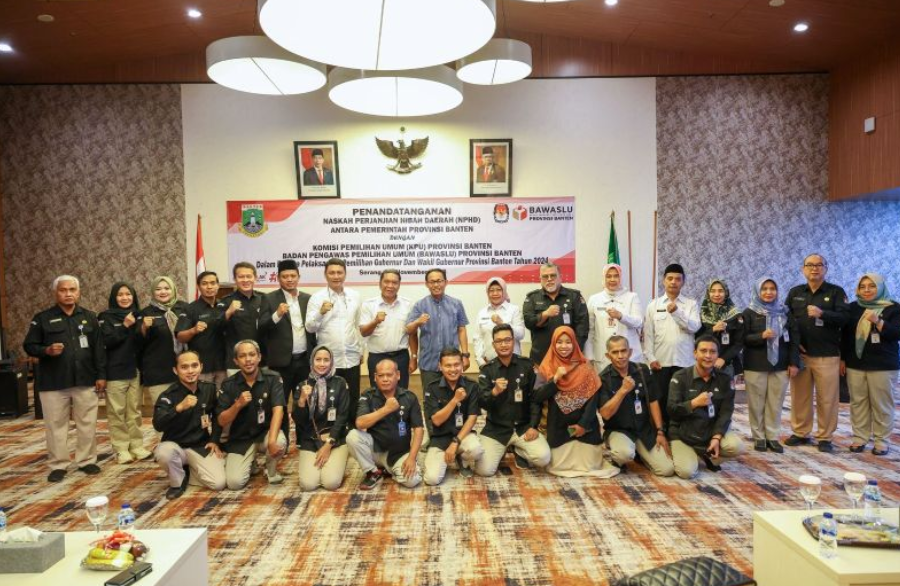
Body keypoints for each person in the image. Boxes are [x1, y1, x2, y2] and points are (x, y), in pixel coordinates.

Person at [24, 275, 106, 483]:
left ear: (78, 292)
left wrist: (101, 375)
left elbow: (98, 349)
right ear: (56, 293)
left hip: (85, 379)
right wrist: (46, 350)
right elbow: (29, 345)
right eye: (63, 290)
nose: (68, 294)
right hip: (53, 382)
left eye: (72, 289)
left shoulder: (89, 317)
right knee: (55, 425)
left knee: (87, 423)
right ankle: (58, 464)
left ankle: (86, 460)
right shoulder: (42, 318)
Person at [784, 253, 849, 453]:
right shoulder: (795, 292)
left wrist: (823, 314)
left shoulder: (836, 292)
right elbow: (785, 321)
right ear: (803, 269)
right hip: (802, 356)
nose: (814, 268)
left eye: (819, 265)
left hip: (827, 354)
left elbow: (845, 319)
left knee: (827, 399)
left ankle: (825, 437)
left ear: (825, 268)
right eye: (810, 265)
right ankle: (801, 432)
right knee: (800, 397)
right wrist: (793, 346)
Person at [534, 327, 618, 478]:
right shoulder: (546, 366)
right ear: (553, 343)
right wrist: (555, 378)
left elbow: (593, 400)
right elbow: (537, 396)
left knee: (590, 466)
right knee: (559, 466)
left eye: (568, 342)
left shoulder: (586, 367)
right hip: (559, 427)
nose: (564, 346)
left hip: (586, 428)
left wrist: (583, 425)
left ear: (574, 343)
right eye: (559, 342)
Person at [475, 324, 551, 475]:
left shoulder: (527, 365)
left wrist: (533, 426)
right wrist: (494, 392)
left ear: (514, 341)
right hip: (496, 429)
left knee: (543, 458)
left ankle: (518, 450)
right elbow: (482, 403)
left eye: (507, 340)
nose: (503, 344)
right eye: (499, 341)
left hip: (522, 427)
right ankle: (502, 448)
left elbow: (534, 399)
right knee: (484, 470)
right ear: (493, 345)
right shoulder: (487, 370)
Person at [667, 336, 745, 479]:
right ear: (695, 353)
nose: (708, 356)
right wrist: (694, 403)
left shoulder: (725, 379)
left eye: (712, 352)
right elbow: (672, 410)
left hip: (710, 430)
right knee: (687, 472)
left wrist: (717, 437)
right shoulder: (680, 376)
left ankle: (707, 456)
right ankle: (692, 454)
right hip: (683, 434)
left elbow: (726, 412)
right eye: (703, 351)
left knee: (736, 447)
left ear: (717, 355)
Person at [258, 259, 316, 449]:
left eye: (293, 276)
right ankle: (282, 440)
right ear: (278, 278)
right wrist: (277, 314)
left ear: (298, 277)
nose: (289, 279)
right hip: (281, 362)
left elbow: (314, 328)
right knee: (280, 403)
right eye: (285, 276)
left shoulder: (308, 299)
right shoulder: (269, 299)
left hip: (304, 360)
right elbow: (261, 327)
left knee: (304, 400)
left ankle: (303, 440)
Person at [152, 350, 226, 499]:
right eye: (184, 367)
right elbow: (158, 424)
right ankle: (177, 482)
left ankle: (186, 471)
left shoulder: (209, 389)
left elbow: (217, 416)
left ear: (201, 367)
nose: (190, 371)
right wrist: (178, 408)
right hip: (175, 447)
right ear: (175, 370)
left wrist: (214, 440)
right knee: (163, 452)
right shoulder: (168, 395)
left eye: (194, 365)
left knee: (218, 483)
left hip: (200, 445)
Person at [599, 335, 674, 476]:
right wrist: (622, 391)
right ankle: (618, 458)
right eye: (615, 352)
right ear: (608, 356)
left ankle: (641, 455)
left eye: (623, 351)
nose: (620, 356)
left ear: (630, 352)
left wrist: (660, 431)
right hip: (620, 430)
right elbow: (605, 414)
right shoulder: (604, 378)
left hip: (644, 430)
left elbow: (653, 401)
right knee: (624, 454)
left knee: (667, 470)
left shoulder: (642, 370)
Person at [840, 273, 899, 456]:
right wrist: (843, 358)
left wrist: (878, 321)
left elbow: (896, 334)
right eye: (862, 286)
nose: (866, 290)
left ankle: (881, 441)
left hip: (883, 364)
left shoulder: (893, 308)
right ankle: (860, 438)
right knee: (858, 403)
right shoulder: (853, 308)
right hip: (855, 364)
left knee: (882, 404)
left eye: (871, 286)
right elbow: (845, 336)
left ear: (880, 287)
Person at [215, 340, 286, 489]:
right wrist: (237, 405)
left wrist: (272, 441)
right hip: (241, 438)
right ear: (236, 361)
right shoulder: (228, 384)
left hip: (265, 434)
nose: (248, 359)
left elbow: (278, 411)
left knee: (279, 442)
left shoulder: (273, 378)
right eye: (242, 356)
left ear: (259, 357)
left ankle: (271, 471)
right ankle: (251, 463)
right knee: (234, 483)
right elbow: (221, 421)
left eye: (252, 354)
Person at [741, 277, 800, 453]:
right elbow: (742, 339)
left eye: (772, 289)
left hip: (780, 364)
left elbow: (794, 339)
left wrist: (794, 363)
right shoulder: (749, 312)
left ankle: (772, 436)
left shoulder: (785, 312)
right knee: (756, 403)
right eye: (764, 289)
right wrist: (761, 336)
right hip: (755, 364)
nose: (768, 292)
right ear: (757, 291)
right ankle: (759, 436)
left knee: (776, 402)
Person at [346, 359, 424, 490]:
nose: (385, 379)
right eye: (381, 376)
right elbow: (360, 423)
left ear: (398, 375)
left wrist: (411, 457)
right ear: (375, 377)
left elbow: (419, 429)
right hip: (375, 450)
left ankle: (388, 470)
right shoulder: (368, 395)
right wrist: (386, 409)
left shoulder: (409, 397)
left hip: (399, 453)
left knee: (412, 480)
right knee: (352, 436)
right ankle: (373, 472)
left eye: (389, 375)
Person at [641, 263, 701, 430]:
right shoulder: (653, 305)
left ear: (683, 282)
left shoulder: (691, 304)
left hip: (685, 362)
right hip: (661, 362)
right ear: (663, 281)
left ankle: (680, 431)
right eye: (670, 278)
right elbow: (648, 335)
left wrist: (676, 312)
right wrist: (650, 358)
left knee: (683, 399)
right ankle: (661, 431)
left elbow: (694, 327)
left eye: (678, 279)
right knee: (661, 399)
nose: (673, 282)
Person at [99, 282, 151, 464]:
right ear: (114, 297)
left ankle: (136, 446)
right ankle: (121, 449)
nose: (125, 298)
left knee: (134, 412)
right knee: (117, 413)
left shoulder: (139, 315)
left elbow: (143, 344)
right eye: (120, 294)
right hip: (115, 371)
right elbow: (106, 342)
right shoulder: (105, 317)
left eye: (128, 294)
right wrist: (124, 325)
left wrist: (144, 329)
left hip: (135, 371)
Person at [306, 258, 363, 421]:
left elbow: (358, 325)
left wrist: (361, 349)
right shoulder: (317, 298)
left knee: (352, 396)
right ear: (325, 275)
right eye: (332, 273)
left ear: (345, 274)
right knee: (330, 399)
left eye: (339, 272)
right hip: (328, 360)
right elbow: (309, 327)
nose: (336, 276)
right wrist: (321, 312)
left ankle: (351, 429)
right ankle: (330, 430)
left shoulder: (355, 296)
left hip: (351, 356)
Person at [422, 348, 484, 485]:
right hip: (440, 438)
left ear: (462, 365)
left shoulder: (472, 386)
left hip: (462, 436)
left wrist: (456, 442)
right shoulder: (432, 388)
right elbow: (436, 421)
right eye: (448, 365)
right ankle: (445, 457)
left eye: (456, 365)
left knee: (476, 450)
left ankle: (461, 458)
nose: (453, 369)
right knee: (432, 479)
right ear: (440, 366)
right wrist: (455, 400)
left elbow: (472, 418)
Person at [295, 346, 351, 491]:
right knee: (308, 485)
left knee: (331, 483)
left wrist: (328, 444)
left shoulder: (340, 383)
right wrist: (302, 400)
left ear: (331, 362)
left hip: (335, 439)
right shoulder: (303, 385)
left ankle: (338, 460)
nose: (322, 364)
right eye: (318, 359)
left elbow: (343, 416)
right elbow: (299, 422)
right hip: (310, 439)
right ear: (311, 361)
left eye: (326, 360)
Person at [406, 268, 470, 390]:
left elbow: (461, 329)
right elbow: (409, 330)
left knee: (455, 397)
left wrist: (465, 355)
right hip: (429, 364)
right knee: (430, 398)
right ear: (426, 284)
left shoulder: (456, 304)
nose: (436, 285)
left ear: (446, 282)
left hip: (452, 364)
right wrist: (417, 322)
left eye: (439, 281)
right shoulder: (420, 305)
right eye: (432, 282)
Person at [523, 262, 589, 364]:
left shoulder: (574, 296)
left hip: (568, 357)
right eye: (545, 276)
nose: (549, 279)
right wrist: (545, 314)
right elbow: (528, 322)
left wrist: (575, 352)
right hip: (541, 357)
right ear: (540, 279)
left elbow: (582, 327)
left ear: (560, 277)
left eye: (553, 275)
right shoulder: (532, 298)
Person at [359, 269, 415, 389]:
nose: (390, 285)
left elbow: (412, 333)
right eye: (386, 282)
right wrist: (375, 321)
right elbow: (363, 332)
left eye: (394, 282)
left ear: (399, 285)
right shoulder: (369, 304)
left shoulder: (407, 305)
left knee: (402, 393)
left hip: (401, 357)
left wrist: (414, 357)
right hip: (377, 357)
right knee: (377, 394)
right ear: (380, 283)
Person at [138, 276, 188, 407]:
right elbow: (137, 344)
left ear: (173, 290)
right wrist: (143, 328)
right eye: (158, 289)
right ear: (153, 292)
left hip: (185, 371)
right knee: (163, 412)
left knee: (186, 411)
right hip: (158, 373)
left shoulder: (185, 308)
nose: (163, 292)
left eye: (167, 288)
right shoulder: (145, 313)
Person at [585, 263, 644, 372]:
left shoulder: (632, 297)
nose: (612, 279)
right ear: (604, 278)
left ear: (620, 278)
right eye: (609, 276)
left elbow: (639, 322)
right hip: (603, 356)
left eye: (616, 276)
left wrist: (621, 316)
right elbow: (589, 331)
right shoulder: (594, 299)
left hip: (628, 356)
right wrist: (589, 357)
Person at [176, 271, 227, 389]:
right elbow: (180, 337)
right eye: (204, 283)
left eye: (213, 283)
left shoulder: (224, 306)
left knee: (223, 398)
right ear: (198, 287)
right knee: (203, 398)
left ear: (218, 285)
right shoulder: (190, 309)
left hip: (223, 365)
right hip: (202, 367)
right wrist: (193, 330)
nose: (209, 286)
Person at [218, 262, 265, 370]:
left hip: (261, 360)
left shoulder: (264, 299)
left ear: (255, 278)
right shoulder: (226, 301)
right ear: (235, 279)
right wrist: (228, 312)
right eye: (241, 277)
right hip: (236, 362)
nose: (245, 280)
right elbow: (216, 329)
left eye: (249, 276)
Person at [472, 276, 526, 368]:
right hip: (489, 364)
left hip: (513, 364)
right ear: (487, 293)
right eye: (491, 290)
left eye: (498, 290)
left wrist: (502, 323)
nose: (495, 293)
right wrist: (481, 361)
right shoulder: (482, 313)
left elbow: (520, 334)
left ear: (504, 291)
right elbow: (478, 338)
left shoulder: (514, 310)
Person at [696, 279, 744, 376]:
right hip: (704, 362)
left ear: (726, 293)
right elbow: (697, 339)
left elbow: (739, 342)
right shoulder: (702, 315)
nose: (717, 294)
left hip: (727, 364)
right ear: (708, 293)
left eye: (720, 291)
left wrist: (723, 359)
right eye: (713, 291)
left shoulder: (736, 315)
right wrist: (713, 329)